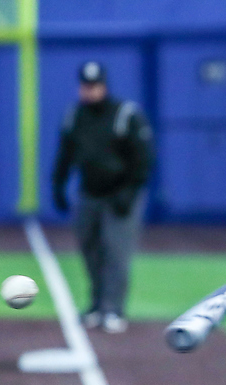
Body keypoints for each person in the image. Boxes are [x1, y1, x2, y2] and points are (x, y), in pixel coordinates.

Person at [51, 60, 154, 334]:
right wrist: (58, 186)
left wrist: (129, 192)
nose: (90, 91)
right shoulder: (75, 115)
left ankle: (113, 309)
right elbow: (65, 154)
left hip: (119, 194)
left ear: (104, 86)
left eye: (95, 86)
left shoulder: (125, 114)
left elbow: (143, 159)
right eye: (86, 86)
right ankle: (97, 305)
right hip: (89, 193)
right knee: (90, 250)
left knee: (115, 252)